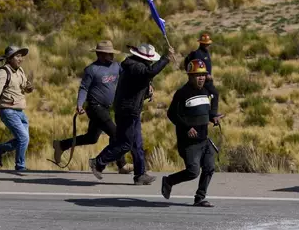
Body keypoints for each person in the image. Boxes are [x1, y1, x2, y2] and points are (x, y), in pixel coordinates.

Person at [90, 44, 177, 185]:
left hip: (132, 110)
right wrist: (166, 58)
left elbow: (142, 80)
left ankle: (140, 175)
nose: (151, 62)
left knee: (137, 144)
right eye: (150, 60)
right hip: (127, 111)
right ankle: (98, 162)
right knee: (125, 144)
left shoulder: (134, 65)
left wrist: (147, 89)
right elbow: (149, 72)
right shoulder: (135, 66)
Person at [52, 41, 134, 174]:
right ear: (100, 54)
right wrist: (79, 104)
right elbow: (84, 88)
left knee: (91, 138)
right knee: (116, 133)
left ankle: (61, 145)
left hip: (106, 108)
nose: (112, 56)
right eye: (109, 54)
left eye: (112, 53)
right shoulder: (91, 69)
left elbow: (129, 75)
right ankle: (121, 165)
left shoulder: (116, 66)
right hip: (94, 107)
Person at [162, 59, 222, 207]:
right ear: (190, 76)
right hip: (188, 142)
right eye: (197, 75)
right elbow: (172, 114)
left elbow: (204, 112)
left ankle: (200, 198)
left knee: (209, 168)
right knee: (193, 172)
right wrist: (187, 127)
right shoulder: (182, 93)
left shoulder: (206, 91)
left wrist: (213, 118)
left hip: (204, 139)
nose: (201, 78)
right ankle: (169, 181)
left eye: (203, 75)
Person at [0, 46, 34, 171]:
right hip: (8, 110)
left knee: (23, 139)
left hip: (20, 111)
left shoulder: (20, 71)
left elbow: (24, 86)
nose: (20, 59)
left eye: (21, 56)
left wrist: (29, 88)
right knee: (23, 138)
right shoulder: (3, 72)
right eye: (17, 56)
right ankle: (20, 166)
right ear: (9, 58)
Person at [184, 33, 219, 108]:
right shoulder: (198, 54)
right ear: (201, 44)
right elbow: (197, 68)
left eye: (208, 44)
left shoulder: (206, 53)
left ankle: (206, 112)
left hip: (207, 80)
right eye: (206, 44)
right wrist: (206, 75)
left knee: (206, 96)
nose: (208, 45)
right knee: (215, 94)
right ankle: (213, 114)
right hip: (202, 80)